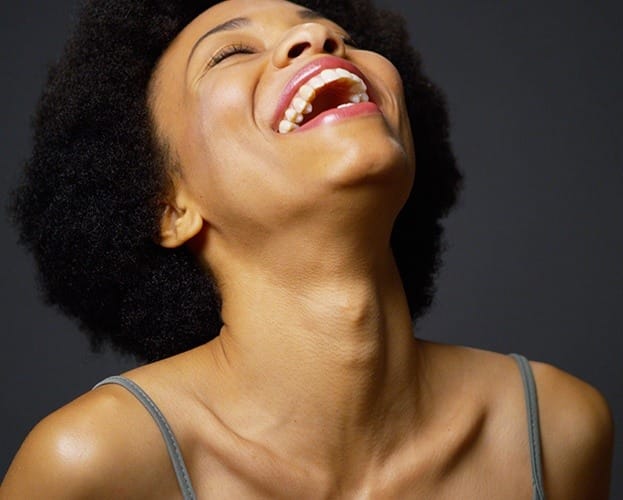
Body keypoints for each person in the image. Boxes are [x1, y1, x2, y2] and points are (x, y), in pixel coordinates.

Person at [0, 0, 614, 498]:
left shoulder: (558, 431)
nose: (319, 36)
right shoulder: (91, 466)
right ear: (171, 208)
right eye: (232, 52)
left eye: (330, 30)